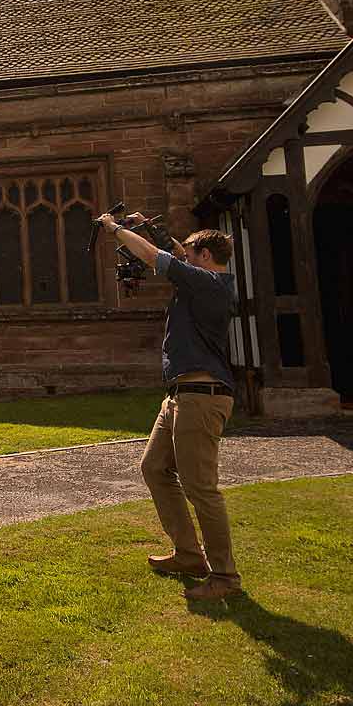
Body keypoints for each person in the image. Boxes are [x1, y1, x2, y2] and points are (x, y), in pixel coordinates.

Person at [96, 212, 242, 603]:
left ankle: (225, 576)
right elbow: (173, 252)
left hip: (201, 394)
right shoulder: (201, 279)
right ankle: (189, 556)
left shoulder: (208, 283)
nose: (183, 256)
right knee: (155, 469)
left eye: (191, 252)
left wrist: (116, 230)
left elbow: (157, 258)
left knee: (200, 487)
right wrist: (148, 225)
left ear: (206, 255)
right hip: (179, 394)